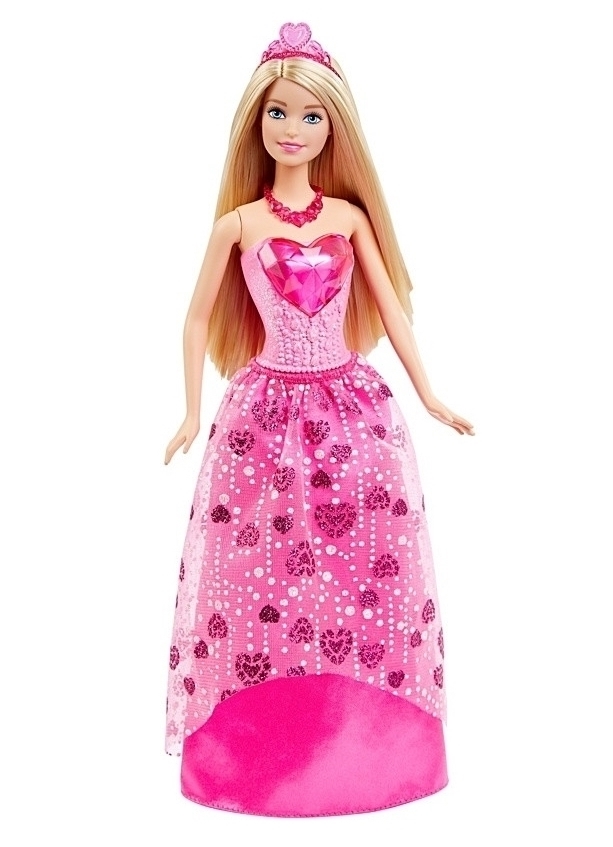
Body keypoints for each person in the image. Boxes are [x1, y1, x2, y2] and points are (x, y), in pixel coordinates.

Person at [164, 22, 474, 817]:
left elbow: (394, 312)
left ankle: (370, 746)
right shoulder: (238, 225)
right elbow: (194, 319)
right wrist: (191, 411)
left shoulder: (348, 219)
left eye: (310, 115)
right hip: (261, 416)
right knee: (254, 575)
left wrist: (430, 392)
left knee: (366, 574)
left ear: (334, 127)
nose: (292, 129)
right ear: (255, 121)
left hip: (351, 413)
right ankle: (258, 755)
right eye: (278, 112)